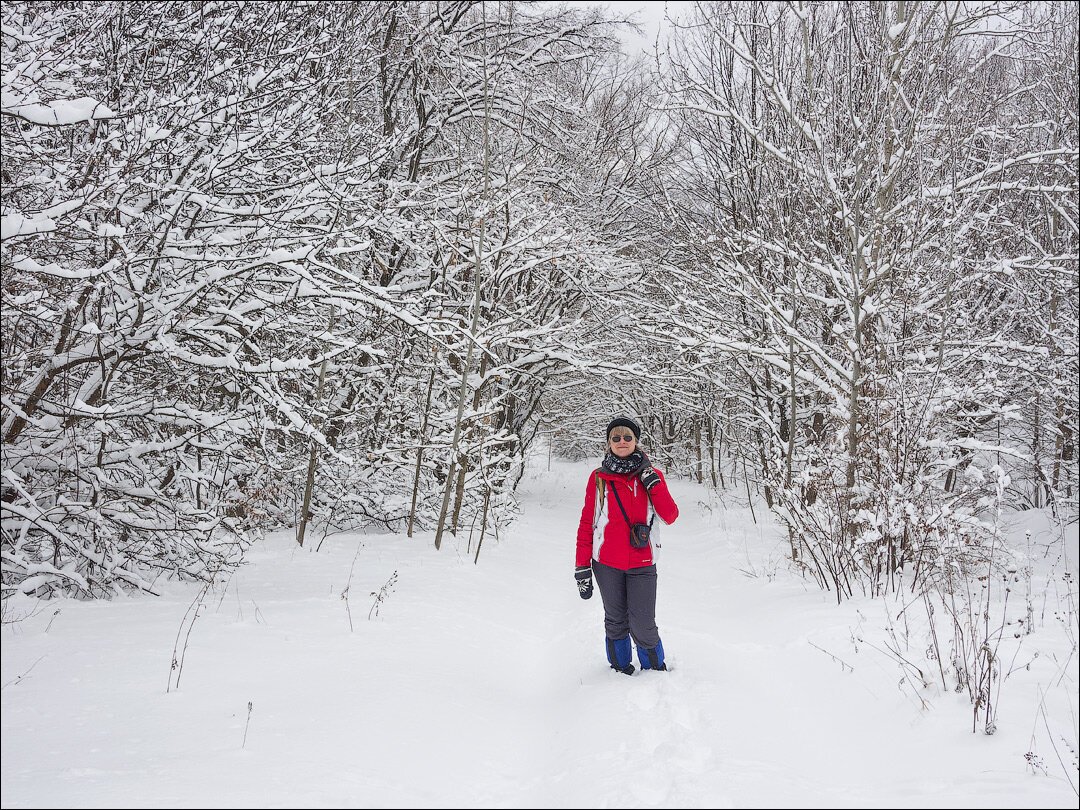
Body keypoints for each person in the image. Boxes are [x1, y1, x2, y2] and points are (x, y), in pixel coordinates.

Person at [574, 416, 679, 674]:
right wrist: (581, 567)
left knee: (643, 622)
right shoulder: (599, 478)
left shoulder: (652, 475)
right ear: (608, 443)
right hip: (606, 564)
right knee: (615, 620)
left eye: (628, 437)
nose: (622, 442)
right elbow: (588, 522)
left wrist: (654, 487)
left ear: (636, 441)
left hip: (643, 563)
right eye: (616, 438)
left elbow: (670, 516)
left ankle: (655, 669)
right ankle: (620, 669)